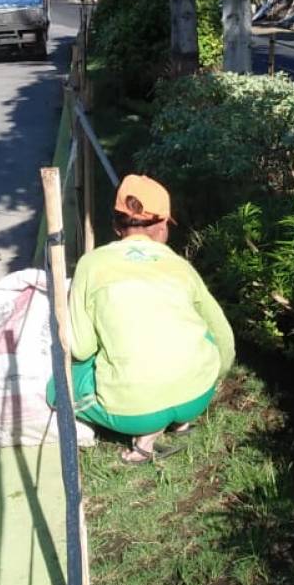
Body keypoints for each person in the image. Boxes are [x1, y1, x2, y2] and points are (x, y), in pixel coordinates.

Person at [52, 174, 235, 465]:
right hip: (197, 397)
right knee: (204, 330)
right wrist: (215, 376)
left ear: (116, 226)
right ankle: (179, 421)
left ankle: (147, 429)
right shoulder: (179, 266)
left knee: (56, 388)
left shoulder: (91, 264)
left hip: (136, 413)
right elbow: (223, 335)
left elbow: (82, 348)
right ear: (162, 226)